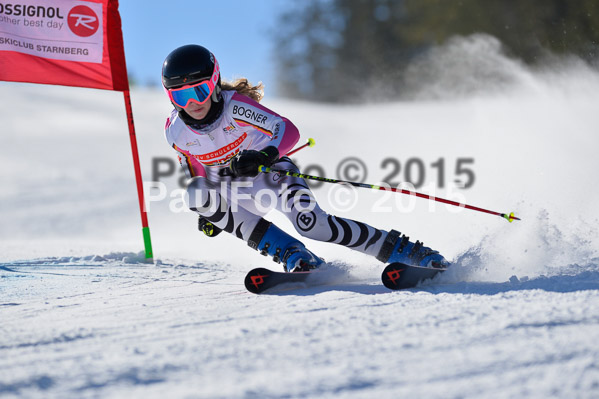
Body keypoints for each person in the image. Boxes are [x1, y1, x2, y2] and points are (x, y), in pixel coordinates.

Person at [161, 44, 449, 272]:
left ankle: (405, 250)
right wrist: (212, 213)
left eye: (199, 90)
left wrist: (264, 154)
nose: (193, 103)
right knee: (196, 195)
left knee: (314, 225)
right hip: (235, 190)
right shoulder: (175, 131)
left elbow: (287, 129)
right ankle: (293, 254)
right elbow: (194, 166)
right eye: (180, 96)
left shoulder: (235, 108)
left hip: (271, 175)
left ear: (214, 83)